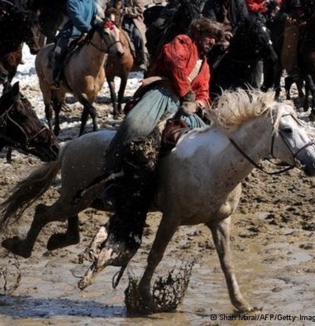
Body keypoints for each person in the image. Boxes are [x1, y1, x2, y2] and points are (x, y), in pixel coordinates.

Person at [99, 17, 224, 264]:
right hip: (162, 94)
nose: (212, 42)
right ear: (198, 32)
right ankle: (109, 178)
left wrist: (197, 102)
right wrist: (186, 92)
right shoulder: (183, 42)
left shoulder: (206, 65)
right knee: (134, 125)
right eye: (210, 36)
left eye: (215, 38)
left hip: (185, 107)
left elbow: (205, 93)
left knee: (207, 142)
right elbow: (173, 61)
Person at [50, 0, 99, 99]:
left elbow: (94, 19)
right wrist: (89, 29)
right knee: (58, 54)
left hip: (86, 35)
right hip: (69, 35)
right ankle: (56, 83)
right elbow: (77, 19)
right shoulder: (72, 2)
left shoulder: (92, 3)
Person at [121, 0, 149, 70]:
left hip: (135, 21)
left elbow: (140, 9)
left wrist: (126, 10)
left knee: (138, 36)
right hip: (122, 21)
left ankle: (143, 59)